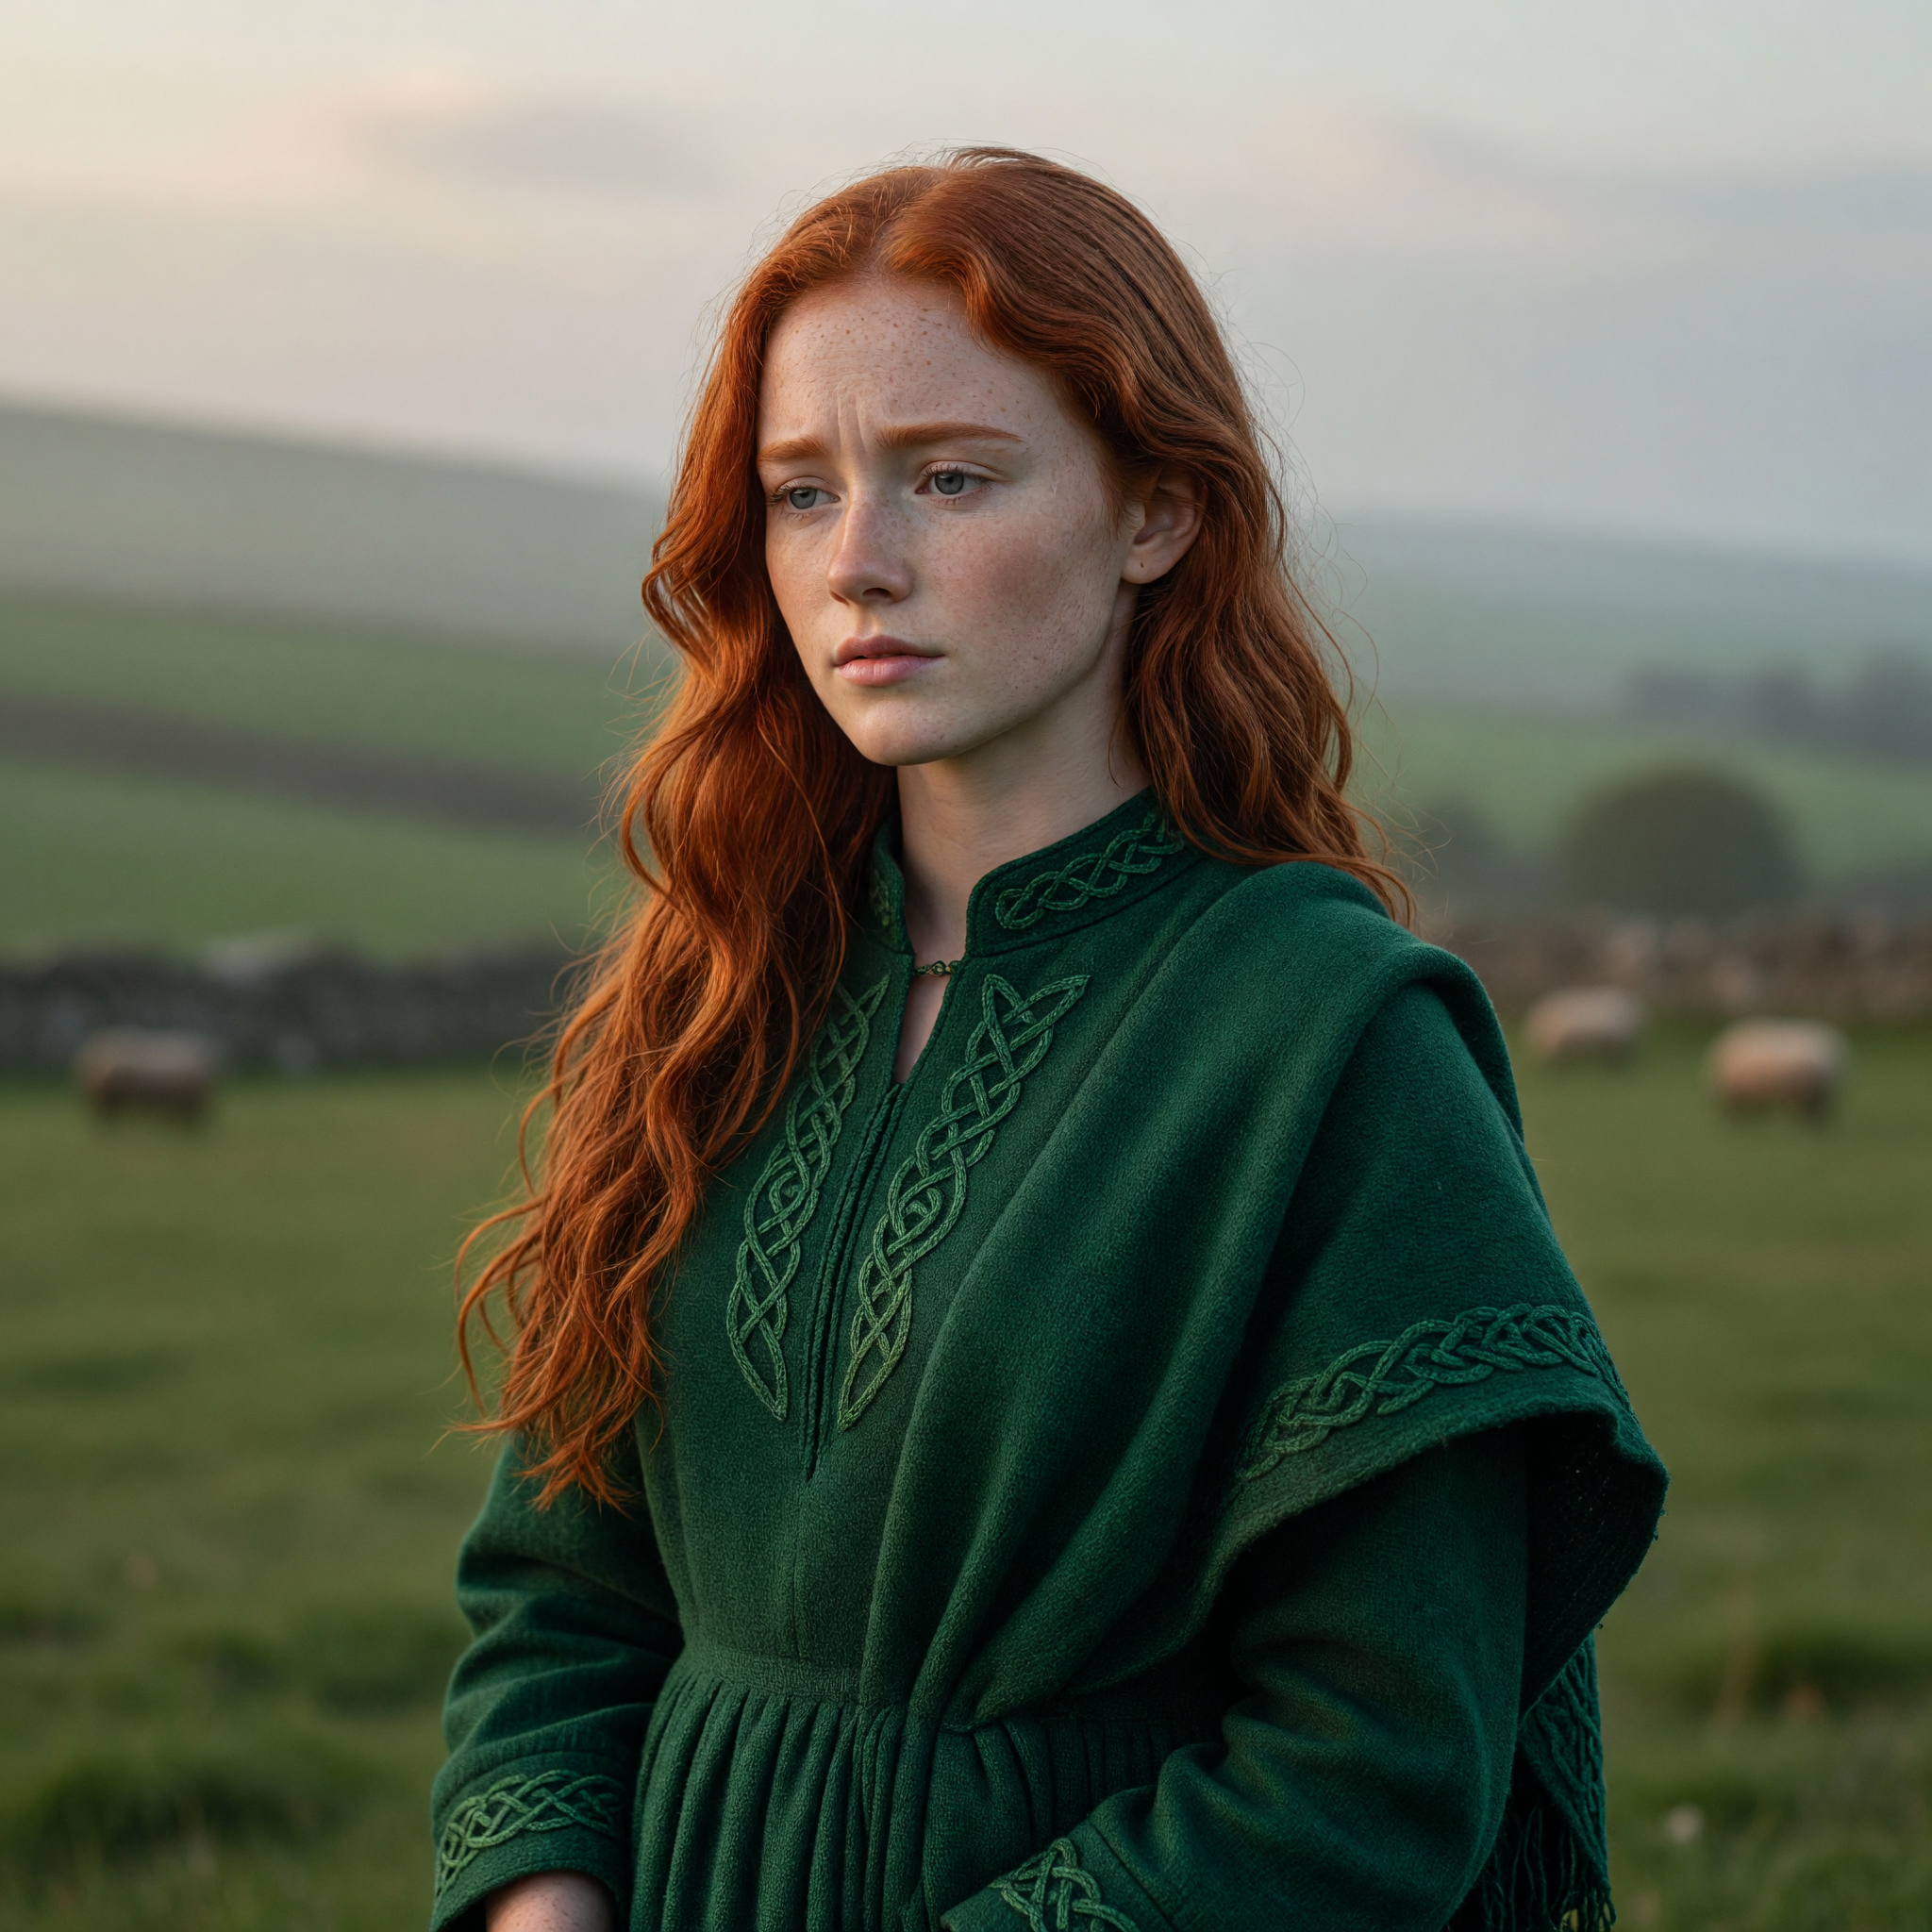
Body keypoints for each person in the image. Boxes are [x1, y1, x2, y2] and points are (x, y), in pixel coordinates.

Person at [432, 149, 1665, 1932]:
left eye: (951, 477)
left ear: (1154, 513)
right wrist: (544, 1910)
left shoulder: (1335, 1042)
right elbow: (560, 1591)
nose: (858, 562)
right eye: (799, 491)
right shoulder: (707, 1003)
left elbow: (1373, 1762)